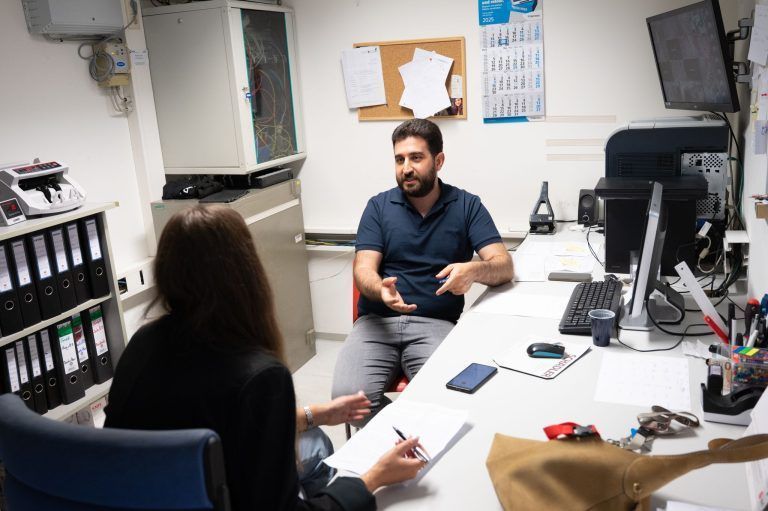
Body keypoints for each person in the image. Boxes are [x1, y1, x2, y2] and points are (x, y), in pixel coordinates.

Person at [104, 205, 426, 511]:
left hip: (152, 496)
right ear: (245, 272)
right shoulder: (260, 375)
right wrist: (373, 478)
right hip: (219, 496)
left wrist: (317, 414)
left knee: (314, 439)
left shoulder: (143, 343)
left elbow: (216, 420)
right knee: (323, 454)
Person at [332, 119, 513, 426]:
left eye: (416, 158)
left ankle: (408, 451)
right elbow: (363, 269)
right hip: (377, 323)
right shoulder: (378, 207)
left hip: (435, 323)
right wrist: (380, 289)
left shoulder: (467, 206)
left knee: (452, 397)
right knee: (348, 401)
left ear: (438, 161)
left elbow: (504, 265)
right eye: (399, 159)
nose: (406, 168)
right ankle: (404, 449)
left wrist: (473, 270)